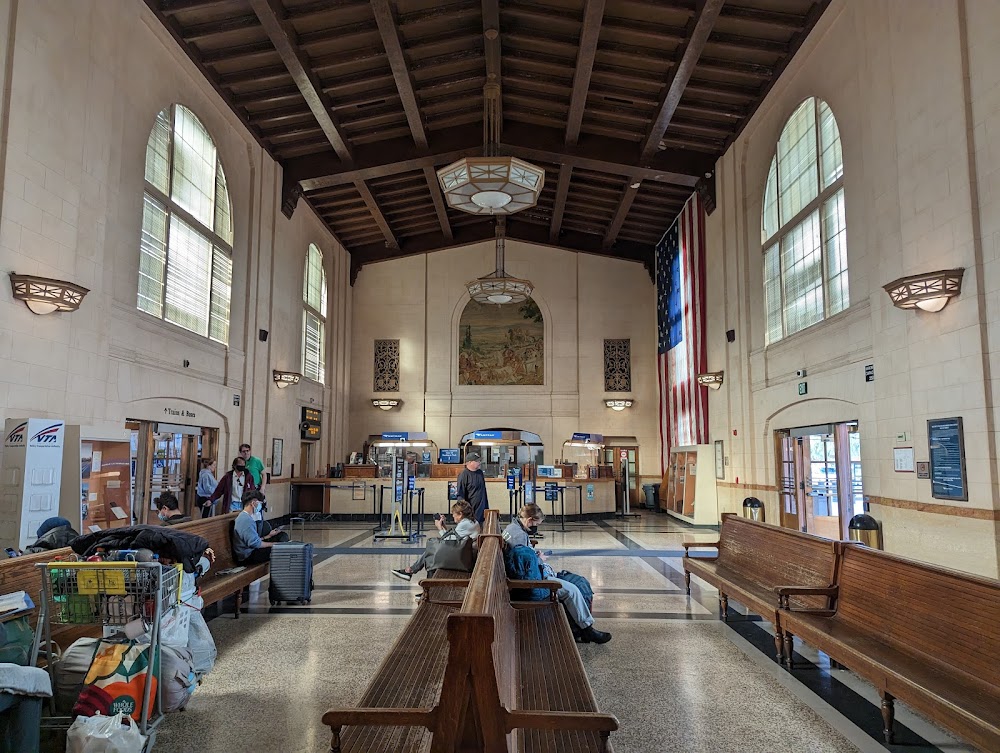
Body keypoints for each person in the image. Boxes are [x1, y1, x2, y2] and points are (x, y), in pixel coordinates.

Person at [503, 503, 612, 644]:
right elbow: (526, 567)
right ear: (530, 520)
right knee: (572, 591)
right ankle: (587, 629)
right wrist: (539, 559)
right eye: (537, 524)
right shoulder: (519, 536)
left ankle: (583, 628)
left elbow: (522, 559)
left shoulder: (512, 528)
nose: (536, 527)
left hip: (529, 575)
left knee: (574, 586)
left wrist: (535, 556)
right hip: (533, 582)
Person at [391, 500, 480, 581]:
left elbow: (448, 541)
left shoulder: (465, 524)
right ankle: (413, 572)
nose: (452, 516)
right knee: (432, 552)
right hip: (465, 553)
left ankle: (414, 574)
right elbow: (454, 537)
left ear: (460, 514)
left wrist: (439, 527)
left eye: (454, 513)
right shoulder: (471, 521)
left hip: (464, 558)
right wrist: (443, 525)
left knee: (432, 552)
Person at [231, 489, 286, 565]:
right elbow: (255, 544)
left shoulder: (245, 517)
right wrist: (274, 544)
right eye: (260, 503)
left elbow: (252, 540)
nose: (260, 506)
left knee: (280, 538)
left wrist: (268, 536)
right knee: (280, 549)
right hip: (247, 556)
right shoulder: (245, 520)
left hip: (249, 551)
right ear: (253, 503)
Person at [456, 452, 488, 524]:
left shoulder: (480, 473)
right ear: (469, 462)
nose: (479, 463)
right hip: (471, 511)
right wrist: (465, 511)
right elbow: (460, 494)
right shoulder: (464, 475)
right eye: (477, 461)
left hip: (482, 509)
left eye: (480, 461)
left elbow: (483, 491)